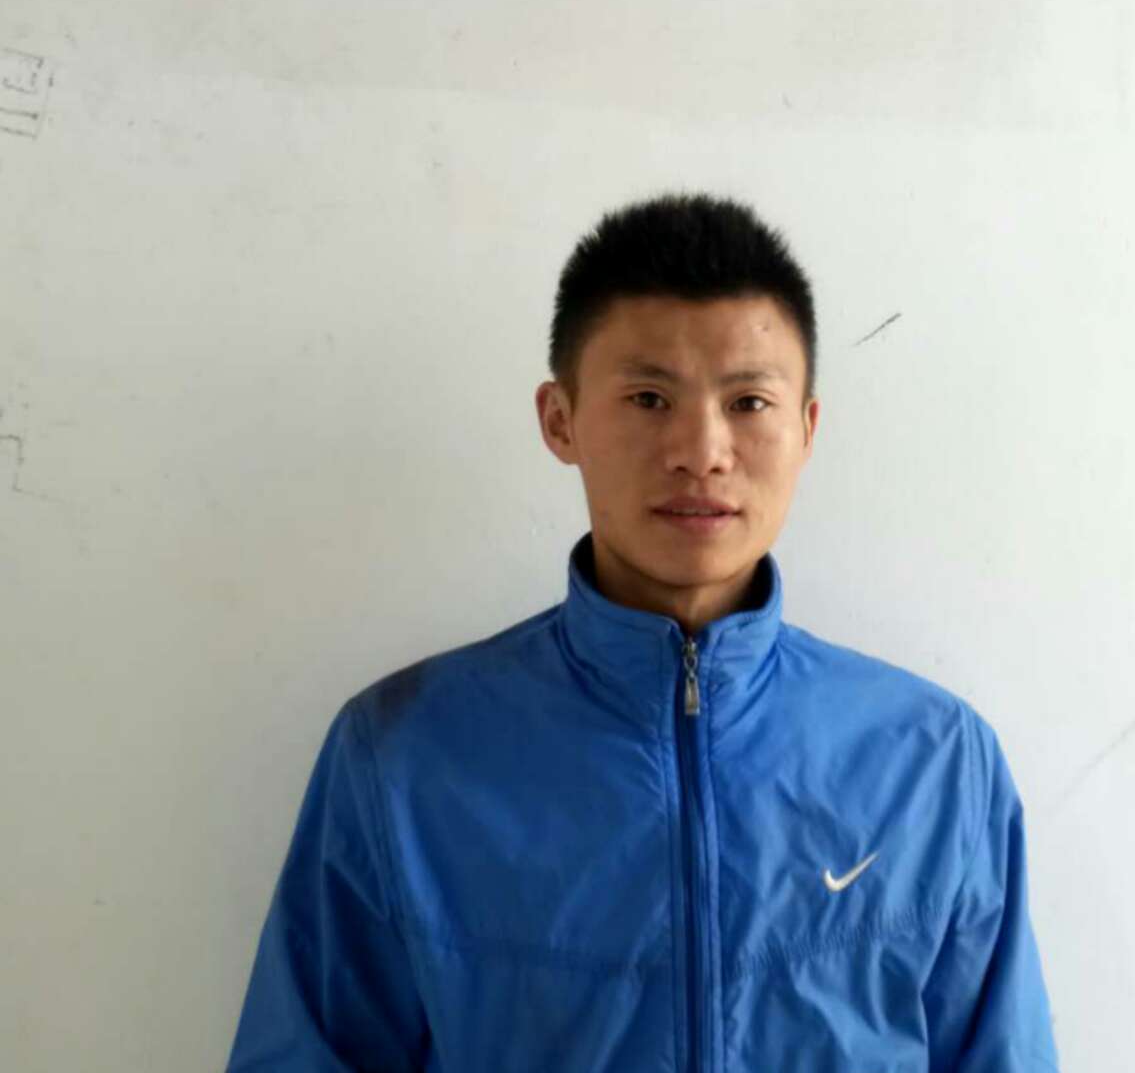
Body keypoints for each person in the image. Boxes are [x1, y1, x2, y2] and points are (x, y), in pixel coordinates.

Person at [226, 192, 1060, 1071]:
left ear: (806, 428)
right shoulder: (403, 754)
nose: (701, 451)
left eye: (749, 402)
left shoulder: (934, 760)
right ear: (560, 419)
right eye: (650, 397)